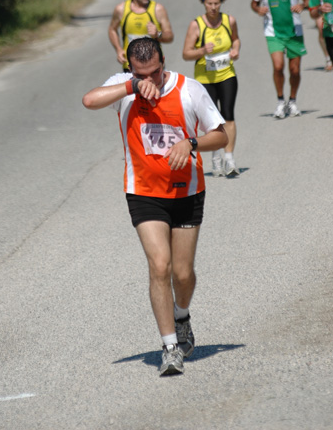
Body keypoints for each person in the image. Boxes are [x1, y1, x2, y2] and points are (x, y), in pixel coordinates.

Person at [82, 37, 228, 376]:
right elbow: (89, 101)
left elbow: (220, 135)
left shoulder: (189, 89)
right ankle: (170, 347)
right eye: (141, 73)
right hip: (144, 192)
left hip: (188, 191)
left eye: (156, 71)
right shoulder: (124, 87)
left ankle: (182, 316)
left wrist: (191, 143)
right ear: (131, 69)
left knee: (182, 273)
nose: (151, 78)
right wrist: (132, 86)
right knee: (159, 266)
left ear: (165, 62)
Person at [182, 0, 241, 177]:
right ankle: (215, 158)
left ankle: (230, 159)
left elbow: (236, 39)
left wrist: (235, 50)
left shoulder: (229, 20)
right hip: (205, 78)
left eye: (217, 3)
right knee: (212, 121)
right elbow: (186, 53)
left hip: (226, 74)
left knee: (228, 116)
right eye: (209, 4)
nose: (214, 7)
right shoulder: (196, 25)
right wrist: (201, 51)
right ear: (204, 4)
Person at [251, 0, 309, 118]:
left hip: (294, 31)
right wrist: (258, 9)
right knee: (278, 66)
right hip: (273, 32)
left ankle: (292, 101)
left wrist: (302, 6)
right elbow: (254, 3)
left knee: (295, 70)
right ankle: (280, 101)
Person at [108, 0, 174, 70]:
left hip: (154, 69)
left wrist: (158, 34)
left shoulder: (158, 9)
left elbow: (170, 37)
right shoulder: (121, 9)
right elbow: (112, 29)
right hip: (131, 67)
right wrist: (118, 49)